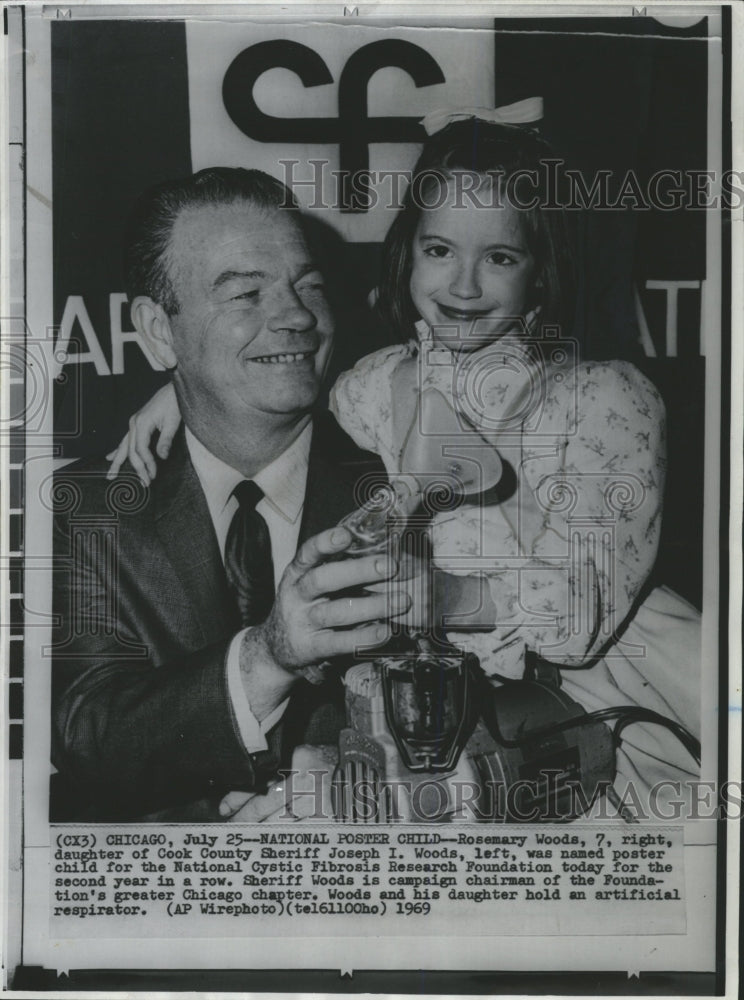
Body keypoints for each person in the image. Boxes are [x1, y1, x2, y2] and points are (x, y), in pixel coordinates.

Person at [109, 122, 701, 811]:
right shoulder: (377, 386)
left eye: (502, 257)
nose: (465, 285)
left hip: (613, 715)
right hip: (465, 720)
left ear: (541, 269)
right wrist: (178, 391)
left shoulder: (605, 400)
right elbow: (270, 382)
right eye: (440, 249)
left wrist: (445, 597)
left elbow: (579, 623)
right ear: (409, 253)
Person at [51, 167, 413, 823]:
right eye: (246, 295)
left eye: (309, 286)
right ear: (158, 331)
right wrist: (267, 656)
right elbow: (90, 739)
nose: (298, 316)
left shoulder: (405, 482)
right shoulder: (88, 510)